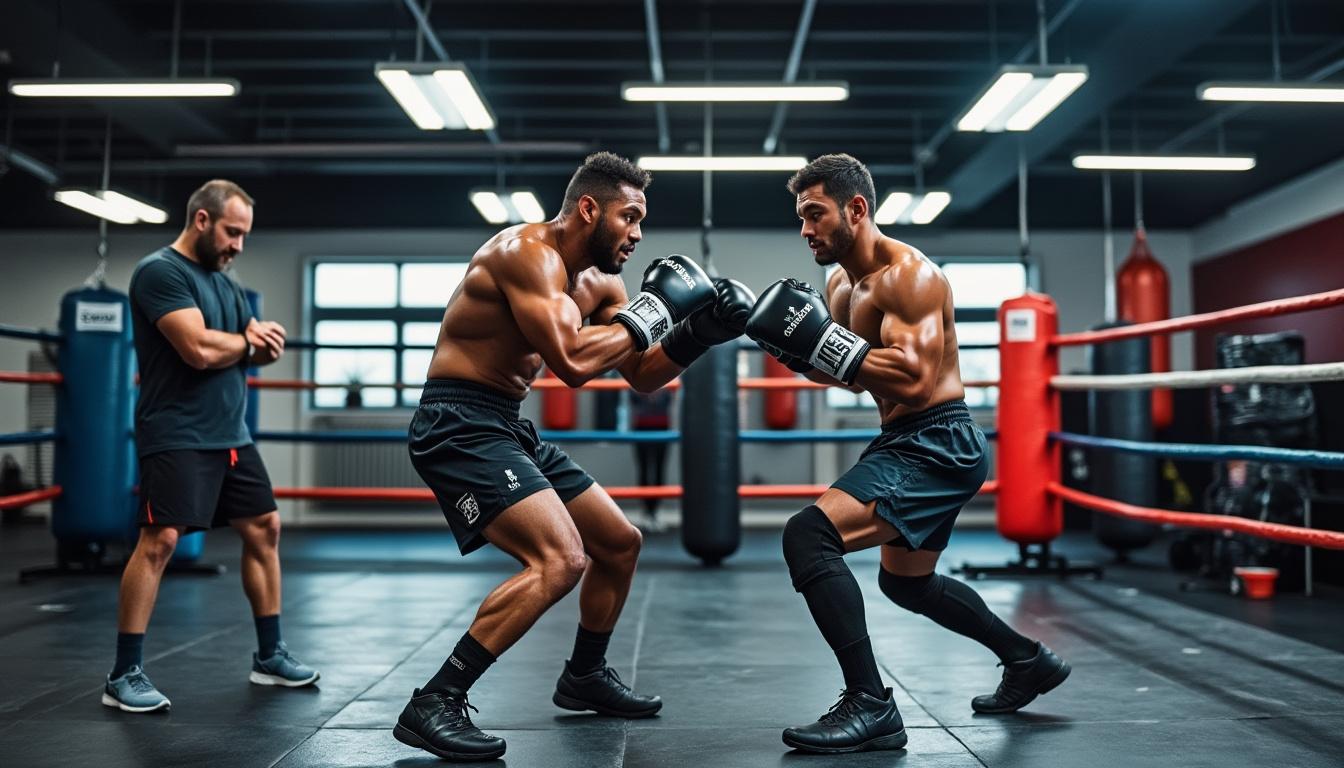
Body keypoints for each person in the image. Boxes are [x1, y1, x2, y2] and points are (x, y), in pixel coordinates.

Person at [397, 152, 755, 761]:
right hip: (457, 421)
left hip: (507, 424)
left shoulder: (603, 284)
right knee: (560, 559)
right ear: (589, 209)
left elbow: (641, 372)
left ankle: (584, 675)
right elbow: (571, 361)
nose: (638, 235)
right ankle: (436, 698)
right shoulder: (523, 255)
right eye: (630, 217)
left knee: (619, 543)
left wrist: (699, 334)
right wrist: (659, 312)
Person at [745, 154, 1070, 754]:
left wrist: (820, 344)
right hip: (906, 439)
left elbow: (915, 381)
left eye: (815, 214)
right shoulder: (841, 282)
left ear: (857, 209)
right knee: (907, 586)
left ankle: (872, 705)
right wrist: (801, 352)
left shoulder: (910, 277)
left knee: (808, 536)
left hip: (938, 440)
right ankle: (1028, 660)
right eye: (801, 217)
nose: (806, 229)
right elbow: (855, 375)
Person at [105, 180, 318, 714]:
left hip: (230, 434)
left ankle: (270, 656)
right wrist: (245, 342)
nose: (238, 245)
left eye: (244, 234)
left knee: (265, 528)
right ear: (201, 220)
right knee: (159, 542)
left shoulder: (226, 282)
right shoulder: (161, 272)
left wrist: (261, 345)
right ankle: (123, 673)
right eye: (232, 232)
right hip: (177, 431)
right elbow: (198, 348)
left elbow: (243, 349)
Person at [629, 388, 673, 529]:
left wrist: (654, 396)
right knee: (644, 468)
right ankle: (647, 511)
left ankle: (655, 511)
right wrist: (647, 395)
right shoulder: (638, 376)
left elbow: (668, 400)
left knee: (660, 469)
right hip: (642, 425)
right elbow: (633, 399)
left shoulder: (667, 376)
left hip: (662, 426)